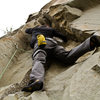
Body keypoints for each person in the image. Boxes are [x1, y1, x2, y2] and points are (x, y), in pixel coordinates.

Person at [22, 19, 100, 92]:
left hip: (41, 43)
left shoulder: (35, 29)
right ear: (47, 26)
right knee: (67, 57)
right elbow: (62, 36)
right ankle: (89, 43)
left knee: (39, 60)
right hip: (53, 44)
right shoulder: (50, 29)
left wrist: (33, 29)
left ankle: (37, 80)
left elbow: (26, 30)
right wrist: (65, 40)